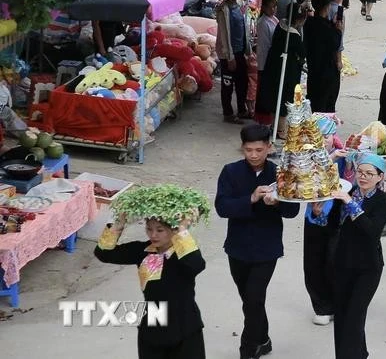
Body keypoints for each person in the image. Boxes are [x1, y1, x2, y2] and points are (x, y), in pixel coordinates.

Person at [215, 124, 300, 359]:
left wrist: (279, 202)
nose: (254, 155)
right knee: (249, 301)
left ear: (269, 148)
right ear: (242, 148)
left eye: (259, 150)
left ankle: (248, 350)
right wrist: (250, 199)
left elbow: (293, 212)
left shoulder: (281, 173)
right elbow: (222, 207)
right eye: (249, 150)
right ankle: (263, 339)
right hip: (237, 247)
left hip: (267, 248)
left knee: (254, 297)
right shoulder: (230, 172)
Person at [94, 213, 205, 359]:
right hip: (152, 327)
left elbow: (197, 265)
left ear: (173, 230)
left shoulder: (184, 253)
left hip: (185, 327)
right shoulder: (142, 251)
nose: (153, 235)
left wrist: (183, 231)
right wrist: (118, 224)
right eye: (149, 229)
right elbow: (103, 253)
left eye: (160, 230)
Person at [326, 154, 386, 359]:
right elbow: (331, 224)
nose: (363, 177)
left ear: (380, 177)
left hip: (368, 267)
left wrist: (350, 203)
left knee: (354, 318)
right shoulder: (347, 192)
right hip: (343, 262)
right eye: (360, 172)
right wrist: (320, 209)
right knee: (342, 316)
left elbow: (372, 231)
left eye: (369, 174)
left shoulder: (383, 201)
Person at [303, 118, 349, 326]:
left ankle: (339, 303)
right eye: (318, 137)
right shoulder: (304, 157)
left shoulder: (343, 155)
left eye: (327, 136)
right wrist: (330, 158)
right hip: (316, 214)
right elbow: (305, 179)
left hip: (339, 214)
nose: (323, 141)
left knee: (336, 260)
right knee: (314, 261)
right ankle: (321, 306)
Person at [254, 4, 306, 137]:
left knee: (274, 96)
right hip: (287, 71)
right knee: (284, 99)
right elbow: (302, 52)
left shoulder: (280, 25)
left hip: (273, 67)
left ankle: (274, 125)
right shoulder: (293, 35)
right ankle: (281, 130)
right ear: (299, 19)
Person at [216, 0, 252, 123]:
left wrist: (247, 49)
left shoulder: (238, 6)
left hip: (239, 52)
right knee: (228, 84)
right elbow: (225, 36)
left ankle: (242, 110)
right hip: (228, 54)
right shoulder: (223, 10)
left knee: (242, 83)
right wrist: (229, 57)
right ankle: (228, 113)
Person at [304, 0, 343, 113]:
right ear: (326, 7)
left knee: (315, 102)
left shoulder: (308, 23)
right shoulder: (327, 28)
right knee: (326, 104)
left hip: (313, 69)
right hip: (326, 72)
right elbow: (335, 44)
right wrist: (338, 30)